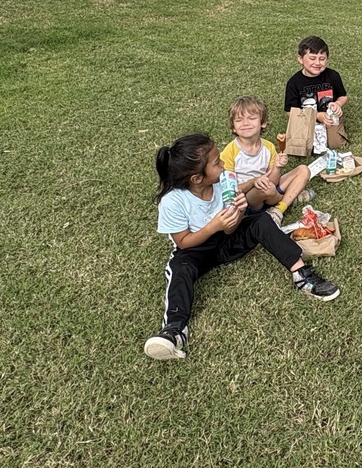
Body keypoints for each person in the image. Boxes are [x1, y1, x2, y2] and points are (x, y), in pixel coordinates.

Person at [144, 134, 340, 361]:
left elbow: (230, 230)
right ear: (197, 178)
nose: (223, 165)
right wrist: (212, 226)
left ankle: (302, 275)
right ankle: (175, 331)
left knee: (261, 221)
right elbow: (183, 242)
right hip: (194, 250)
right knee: (180, 269)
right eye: (217, 163)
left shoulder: (221, 184)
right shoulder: (173, 201)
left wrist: (237, 211)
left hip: (226, 241)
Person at [220, 96, 314, 221]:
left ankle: (277, 210)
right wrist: (253, 181)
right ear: (233, 127)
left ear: (262, 123)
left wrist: (277, 167)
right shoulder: (230, 151)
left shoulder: (268, 147)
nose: (245, 123)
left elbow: (274, 181)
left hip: (269, 188)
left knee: (304, 170)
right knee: (268, 189)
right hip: (247, 198)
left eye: (252, 118)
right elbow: (229, 190)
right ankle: (289, 198)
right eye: (239, 120)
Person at [284, 36, 349, 153]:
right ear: (300, 59)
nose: (317, 63)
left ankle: (332, 132)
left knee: (337, 144)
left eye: (322, 58)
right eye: (312, 58)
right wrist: (316, 116)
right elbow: (290, 112)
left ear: (327, 59)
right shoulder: (294, 82)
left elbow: (343, 96)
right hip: (305, 119)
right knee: (304, 148)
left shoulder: (333, 76)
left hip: (329, 118)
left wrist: (338, 104)